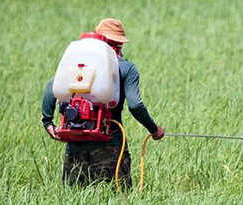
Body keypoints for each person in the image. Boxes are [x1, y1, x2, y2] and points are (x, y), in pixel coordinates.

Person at [41, 18, 164, 188]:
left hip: (76, 145)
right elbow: (135, 105)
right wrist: (154, 129)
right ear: (120, 44)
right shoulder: (127, 68)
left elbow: (50, 87)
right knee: (118, 197)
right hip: (112, 145)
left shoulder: (79, 66)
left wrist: (48, 122)